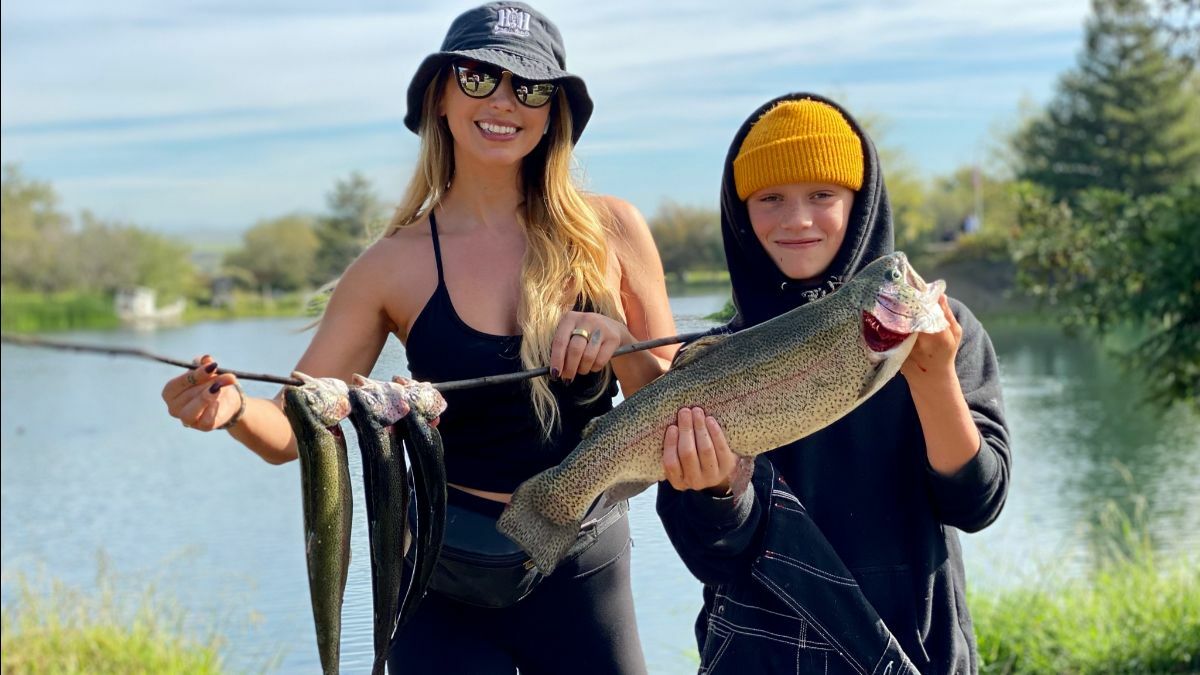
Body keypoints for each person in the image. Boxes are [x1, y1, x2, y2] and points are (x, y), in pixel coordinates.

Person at [161, 4, 677, 673]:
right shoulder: (390, 265)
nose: (504, 100)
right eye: (478, 75)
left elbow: (676, 406)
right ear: (440, 94)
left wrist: (623, 340)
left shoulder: (612, 231)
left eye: (530, 86)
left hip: (583, 564)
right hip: (443, 573)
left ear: (554, 111)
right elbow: (294, 432)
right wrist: (229, 410)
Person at [657, 93, 1011, 674]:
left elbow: (976, 504)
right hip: (757, 655)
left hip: (914, 648)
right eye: (771, 199)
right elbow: (709, 555)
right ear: (742, 214)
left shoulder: (946, 335)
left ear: (861, 203)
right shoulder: (710, 362)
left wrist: (934, 381)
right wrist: (721, 489)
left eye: (823, 195)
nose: (797, 219)